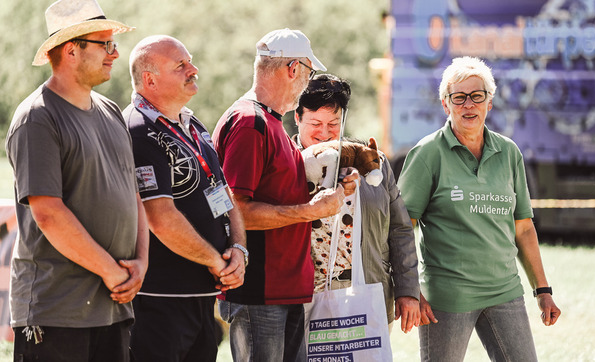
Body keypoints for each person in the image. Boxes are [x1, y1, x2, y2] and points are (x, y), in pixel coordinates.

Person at [5, 0, 148, 361]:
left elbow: (133, 195)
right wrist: (112, 272)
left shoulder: (111, 111)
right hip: (57, 312)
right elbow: (48, 214)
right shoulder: (37, 117)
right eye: (105, 44)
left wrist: (141, 263)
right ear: (71, 50)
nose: (115, 54)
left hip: (112, 308)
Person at [398, 56, 561, 361]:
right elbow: (402, 227)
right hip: (446, 298)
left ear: (490, 102)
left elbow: (524, 228)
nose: (468, 105)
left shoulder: (509, 153)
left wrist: (543, 290)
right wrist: (409, 290)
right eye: (459, 97)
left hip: (505, 291)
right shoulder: (427, 154)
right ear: (445, 104)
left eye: (477, 96)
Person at [212, 28, 353, 361]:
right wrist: (312, 211)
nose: (306, 85)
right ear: (293, 69)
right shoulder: (250, 122)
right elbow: (236, 211)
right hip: (260, 292)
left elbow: (280, 194)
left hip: (284, 291)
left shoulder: (270, 122)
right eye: (307, 74)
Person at [125, 35, 247, 361]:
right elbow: (160, 218)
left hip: (203, 297)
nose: (193, 69)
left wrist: (239, 249)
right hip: (160, 300)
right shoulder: (139, 129)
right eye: (180, 65)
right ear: (150, 79)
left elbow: (224, 194)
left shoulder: (191, 124)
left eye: (190, 61)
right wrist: (217, 262)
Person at [292, 74, 421, 335]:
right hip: (304, 300)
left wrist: (408, 290)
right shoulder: (284, 163)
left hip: (369, 293)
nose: (325, 133)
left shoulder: (373, 163)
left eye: (333, 123)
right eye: (315, 123)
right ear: (297, 117)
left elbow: (400, 229)